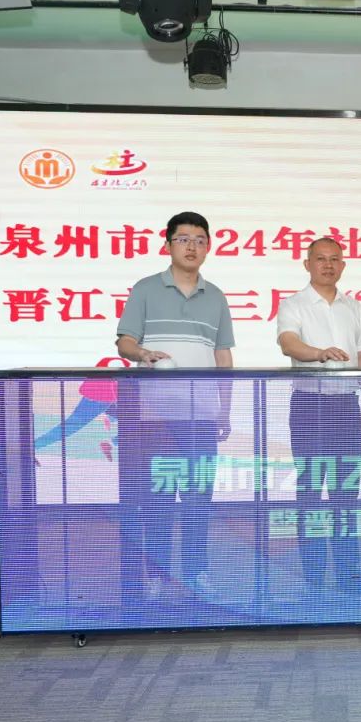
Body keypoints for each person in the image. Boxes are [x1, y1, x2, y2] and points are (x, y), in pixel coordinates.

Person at [115, 211, 235, 600]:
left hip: (201, 416)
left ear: (208, 247)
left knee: (199, 499)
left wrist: (225, 410)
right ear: (168, 244)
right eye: (183, 239)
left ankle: (197, 572)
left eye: (200, 240)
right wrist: (143, 353)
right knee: (158, 500)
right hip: (156, 418)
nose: (192, 247)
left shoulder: (215, 296)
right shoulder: (146, 289)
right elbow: (124, 342)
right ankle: (156, 576)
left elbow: (223, 356)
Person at [277, 237, 361, 596]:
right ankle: (313, 574)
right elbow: (288, 344)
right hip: (309, 404)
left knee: (346, 493)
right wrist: (320, 353)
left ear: (343, 265)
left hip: (346, 405)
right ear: (308, 264)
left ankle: (349, 573)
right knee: (310, 492)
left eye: (335, 259)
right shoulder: (293, 304)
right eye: (321, 259)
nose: (328, 265)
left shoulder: (353, 307)